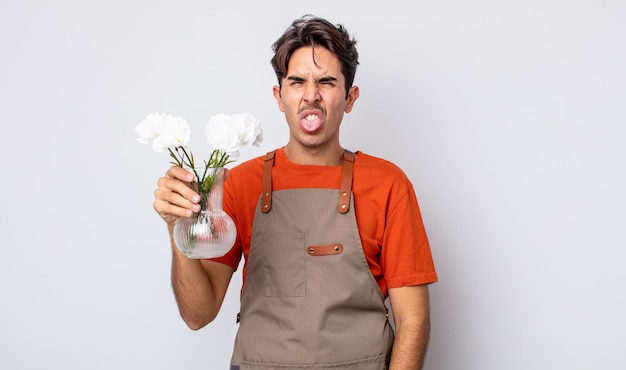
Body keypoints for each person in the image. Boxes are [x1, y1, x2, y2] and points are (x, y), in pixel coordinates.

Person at [153, 15, 438, 370]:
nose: (311, 95)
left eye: (327, 82)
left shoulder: (388, 185)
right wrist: (175, 227)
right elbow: (199, 314)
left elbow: (414, 321)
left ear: (350, 98)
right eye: (297, 81)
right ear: (279, 96)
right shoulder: (241, 183)